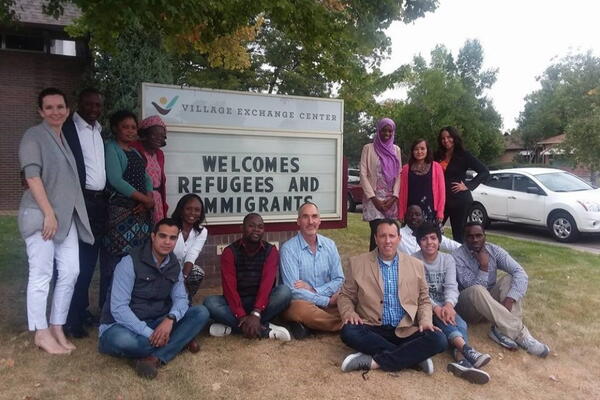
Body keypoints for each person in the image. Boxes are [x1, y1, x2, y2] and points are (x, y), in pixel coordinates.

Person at [18, 88, 94, 354]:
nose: (55, 111)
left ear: (67, 110)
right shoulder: (34, 136)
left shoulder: (62, 139)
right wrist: (48, 213)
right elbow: (32, 176)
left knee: (71, 271)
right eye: (49, 107)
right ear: (40, 111)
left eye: (60, 106)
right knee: (41, 274)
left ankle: (56, 326)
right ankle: (41, 332)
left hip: (65, 219)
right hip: (41, 217)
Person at [98, 218, 210, 379]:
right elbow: (119, 309)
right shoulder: (129, 262)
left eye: (172, 238)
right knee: (125, 341)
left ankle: (153, 358)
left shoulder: (174, 264)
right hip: (122, 325)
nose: (167, 242)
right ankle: (177, 342)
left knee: (200, 312)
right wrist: (150, 333)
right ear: (153, 236)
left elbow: (181, 298)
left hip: (156, 319)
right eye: (162, 236)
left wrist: (170, 319)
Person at [337, 219, 448, 374]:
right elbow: (345, 296)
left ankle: (375, 361)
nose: (387, 241)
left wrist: (425, 321)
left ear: (399, 238)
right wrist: (349, 313)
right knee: (349, 331)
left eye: (392, 236)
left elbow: (423, 299)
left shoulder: (415, 265)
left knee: (439, 339)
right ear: (375, 238)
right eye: (382, 236)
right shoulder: (357, 263)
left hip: (406, 329)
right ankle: (413, 357)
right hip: (372, 328)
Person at [453, 222, 550, 357]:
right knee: (477, 289)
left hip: (491, 306)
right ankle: (521, 335)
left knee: (510, 279)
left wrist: (510, 299)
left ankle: (501, 330)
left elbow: (520, 272)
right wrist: (484, 266)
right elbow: (472, 286)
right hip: (469, 308)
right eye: (470, 236)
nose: (475, 240)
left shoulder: (494, 250)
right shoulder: (457, 257)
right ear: (464, 238)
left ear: (484, 236)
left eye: (478, 236)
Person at [413, 222, 491, 384]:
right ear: (419, 242)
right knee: (445, 320)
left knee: (460, 323)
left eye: (433, 238)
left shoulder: (447, 259)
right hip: (424, 305)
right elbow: (420, 292)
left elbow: (451, 286)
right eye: (424, 239)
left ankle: (461, 360)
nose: (429, 242)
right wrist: (436, 308)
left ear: (439, 241)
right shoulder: (414, 260)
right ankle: (467, 350)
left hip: (445, 304)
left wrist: (448, 305)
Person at [204, 213, 292, 340]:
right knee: (210, 302)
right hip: (237, 303)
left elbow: (266, 284)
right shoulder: (230, 252)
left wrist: (256, 312)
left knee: (285, 292)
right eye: (251, 226)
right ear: (242, 228)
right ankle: (265, 330)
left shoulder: (270, 251)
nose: (256, 230)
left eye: (260, 227)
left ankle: (232, 328)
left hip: (262, 303)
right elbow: (229, 289)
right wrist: (240, 315)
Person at [63, 88, 107, 338]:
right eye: (89, 104)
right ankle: (72, 318)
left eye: (97, 105)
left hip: (99, 203)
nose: (93, 109)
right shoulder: (69, 130)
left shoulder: (98, 132)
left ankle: (81, 309)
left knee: (89, 262)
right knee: (76, 263)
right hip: (79, 202)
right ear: (78, 102)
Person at [100, 110, 154, 309]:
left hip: (140, 215)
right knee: (115, 263)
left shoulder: (136, 152)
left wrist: (148, 199)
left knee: (136, 261)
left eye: (133, 127)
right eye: (125, 127)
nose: (130, 131)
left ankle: (131, 306)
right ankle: (109, 309)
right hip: (121, 216)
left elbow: (146, 178)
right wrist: (144, 199)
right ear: (115, 128)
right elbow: (115, 180)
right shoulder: (111, 149)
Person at [280, 202, 344, 338]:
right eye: (305, 217)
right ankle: (343, 325)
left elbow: (339, 279)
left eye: (314, 216)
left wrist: (314, 290)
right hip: (303, 303)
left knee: (352, 300)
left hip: (327, 300)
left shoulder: (330, 245)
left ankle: (310, 325)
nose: (310, 221)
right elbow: (293, 291)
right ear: (298, 221)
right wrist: (326, 301)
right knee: (299, 309)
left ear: (319, 220)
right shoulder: (288, 249)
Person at [434, 126, 489, 243]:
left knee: (459, 235)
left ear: (454, 138)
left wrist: (468, 185)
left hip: (459, 200)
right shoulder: (438, 155)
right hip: (441, 200)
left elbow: (484, 172)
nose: (446, 140)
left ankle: (461, 260)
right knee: (434, 231)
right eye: (443, 138)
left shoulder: (464, 155)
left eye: (449, 137)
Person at [360, 118, 401, 251]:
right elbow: (363, 174)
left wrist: (394, 197)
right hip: (374, 200)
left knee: (389, 236)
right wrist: (374, 199)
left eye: (390, 131)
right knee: (377, 234)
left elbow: (398, 175)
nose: (387, 134)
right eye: (384, 130)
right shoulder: (368, 148)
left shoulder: (396, 150)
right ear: (378, 131)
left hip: (390, 200)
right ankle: (373, 266)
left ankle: (387, 265)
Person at [171, 194, 208, 303]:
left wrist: (183, 277)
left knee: (197, 272)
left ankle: (186, 300)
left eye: (197, 210)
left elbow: (192, 255)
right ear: (181, 210)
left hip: (182, 269)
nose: (193, 213)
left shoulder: (201, 231)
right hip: (165, 268)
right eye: (188, 209)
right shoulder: (170, 227)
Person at [398, 138, 445, 225]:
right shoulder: (406, 169)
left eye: (422, 148)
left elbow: (442, 192)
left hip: (430, 211)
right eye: (416, 149)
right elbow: (402, 193)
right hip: (411, 211)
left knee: (429, 237)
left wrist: (440, 211)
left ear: (427, 150)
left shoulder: (436, 167)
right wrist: (401, 212)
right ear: (412, 151)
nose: (419, 151)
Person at [132, 115, 168, 224]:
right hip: (139, 201)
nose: (159, 139)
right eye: (155, 135)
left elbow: (161, 183)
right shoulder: (133, 149)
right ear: (144, 134)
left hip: (157, 201)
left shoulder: (159, 154)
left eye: (162, 136)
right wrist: (143, 201)